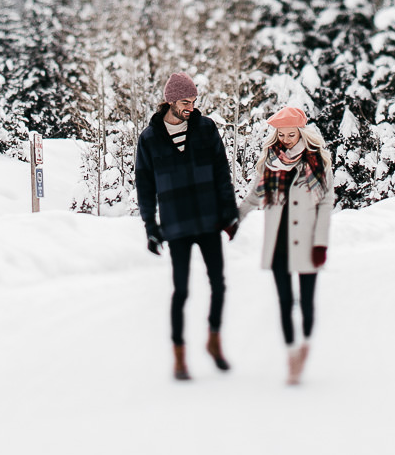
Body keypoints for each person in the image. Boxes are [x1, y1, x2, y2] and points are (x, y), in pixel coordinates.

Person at [134, 72, 239, 381]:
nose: (190, 107)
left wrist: (229, 213)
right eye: (184, 102)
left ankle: (214, 341)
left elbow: (222, 172)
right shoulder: (149, 139)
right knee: (180, 290)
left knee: (218, 284)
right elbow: (144, 184)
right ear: (170, 101)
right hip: (176, 223)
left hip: (208, 220)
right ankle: (179, 355)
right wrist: (149, 225)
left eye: (194, 102)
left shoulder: (206, 130)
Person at [238, 105, 333, 385]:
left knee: (305, 302)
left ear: (301, 133)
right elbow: (255, 195)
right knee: (282, 301)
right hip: (279, 240)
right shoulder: (271, 162)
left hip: (306, 242)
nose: (286, 140)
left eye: (291, 134)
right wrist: (236, 218)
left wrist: (321, 244)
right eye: (281, 135)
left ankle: (304, 345)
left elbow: (326, 204)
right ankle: (292, 354)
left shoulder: (316, 163)